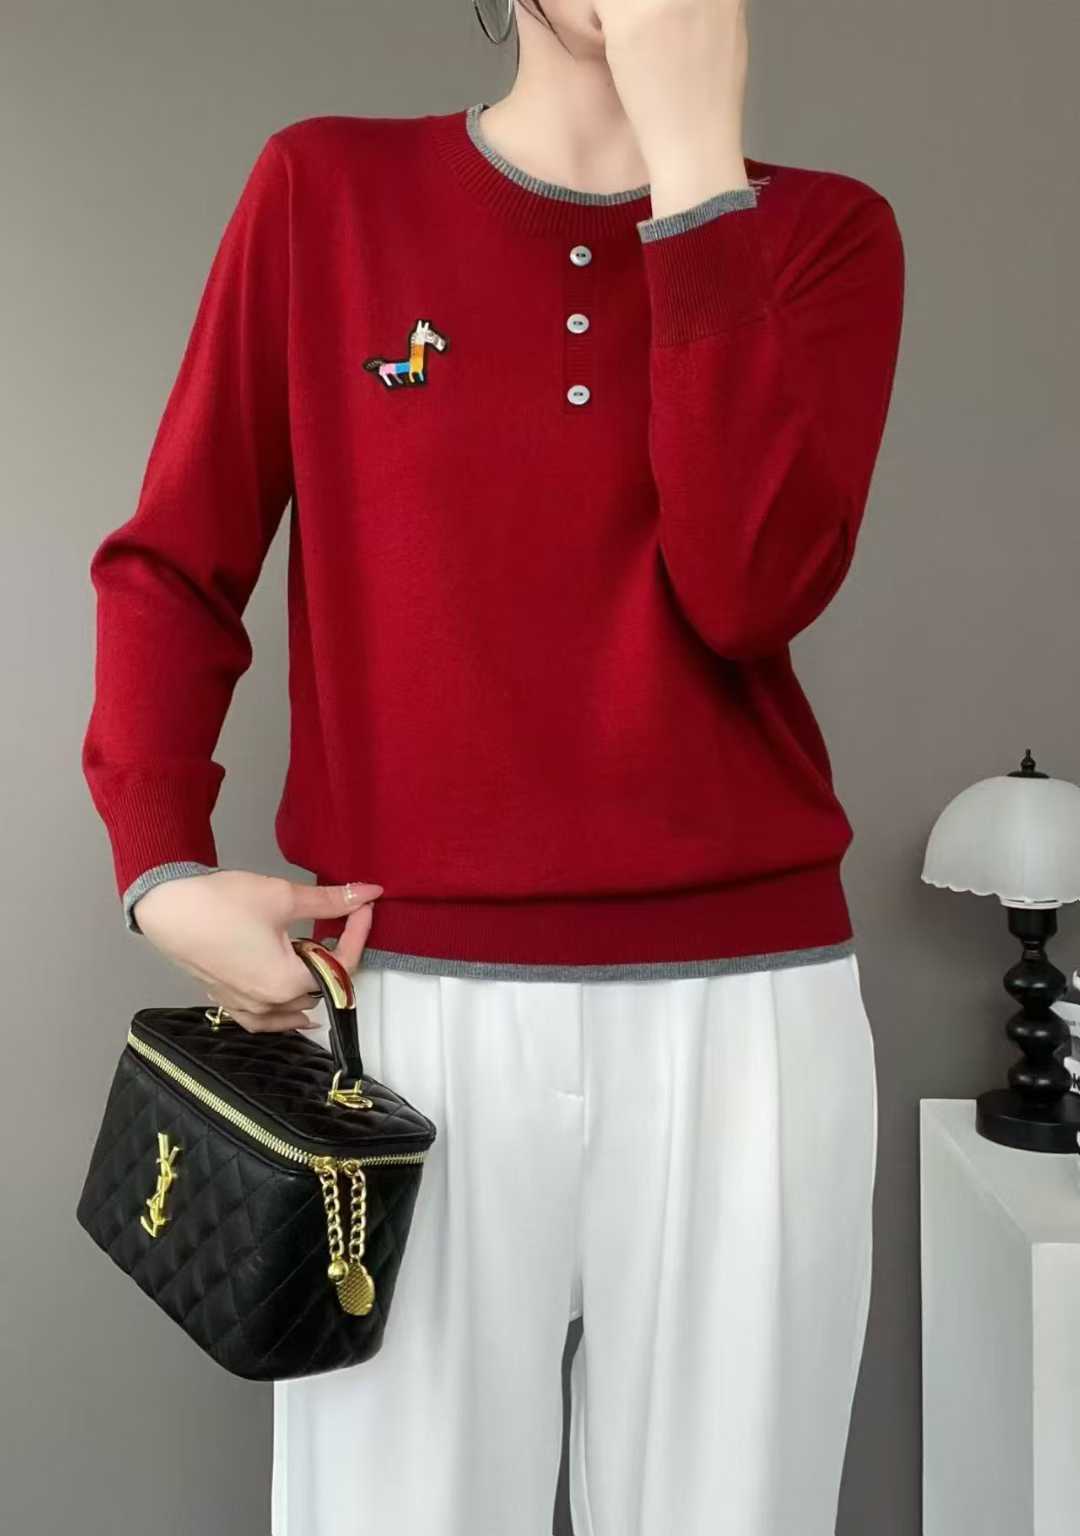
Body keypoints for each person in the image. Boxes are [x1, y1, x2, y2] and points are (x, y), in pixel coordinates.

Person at [81, 2, 905, 1532]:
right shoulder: (324, 192)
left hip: (749, 1021)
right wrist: (159, 866)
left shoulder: (823, 235)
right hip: (397, 1013)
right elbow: (172, 564)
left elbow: (750, 587)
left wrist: (697, 173)